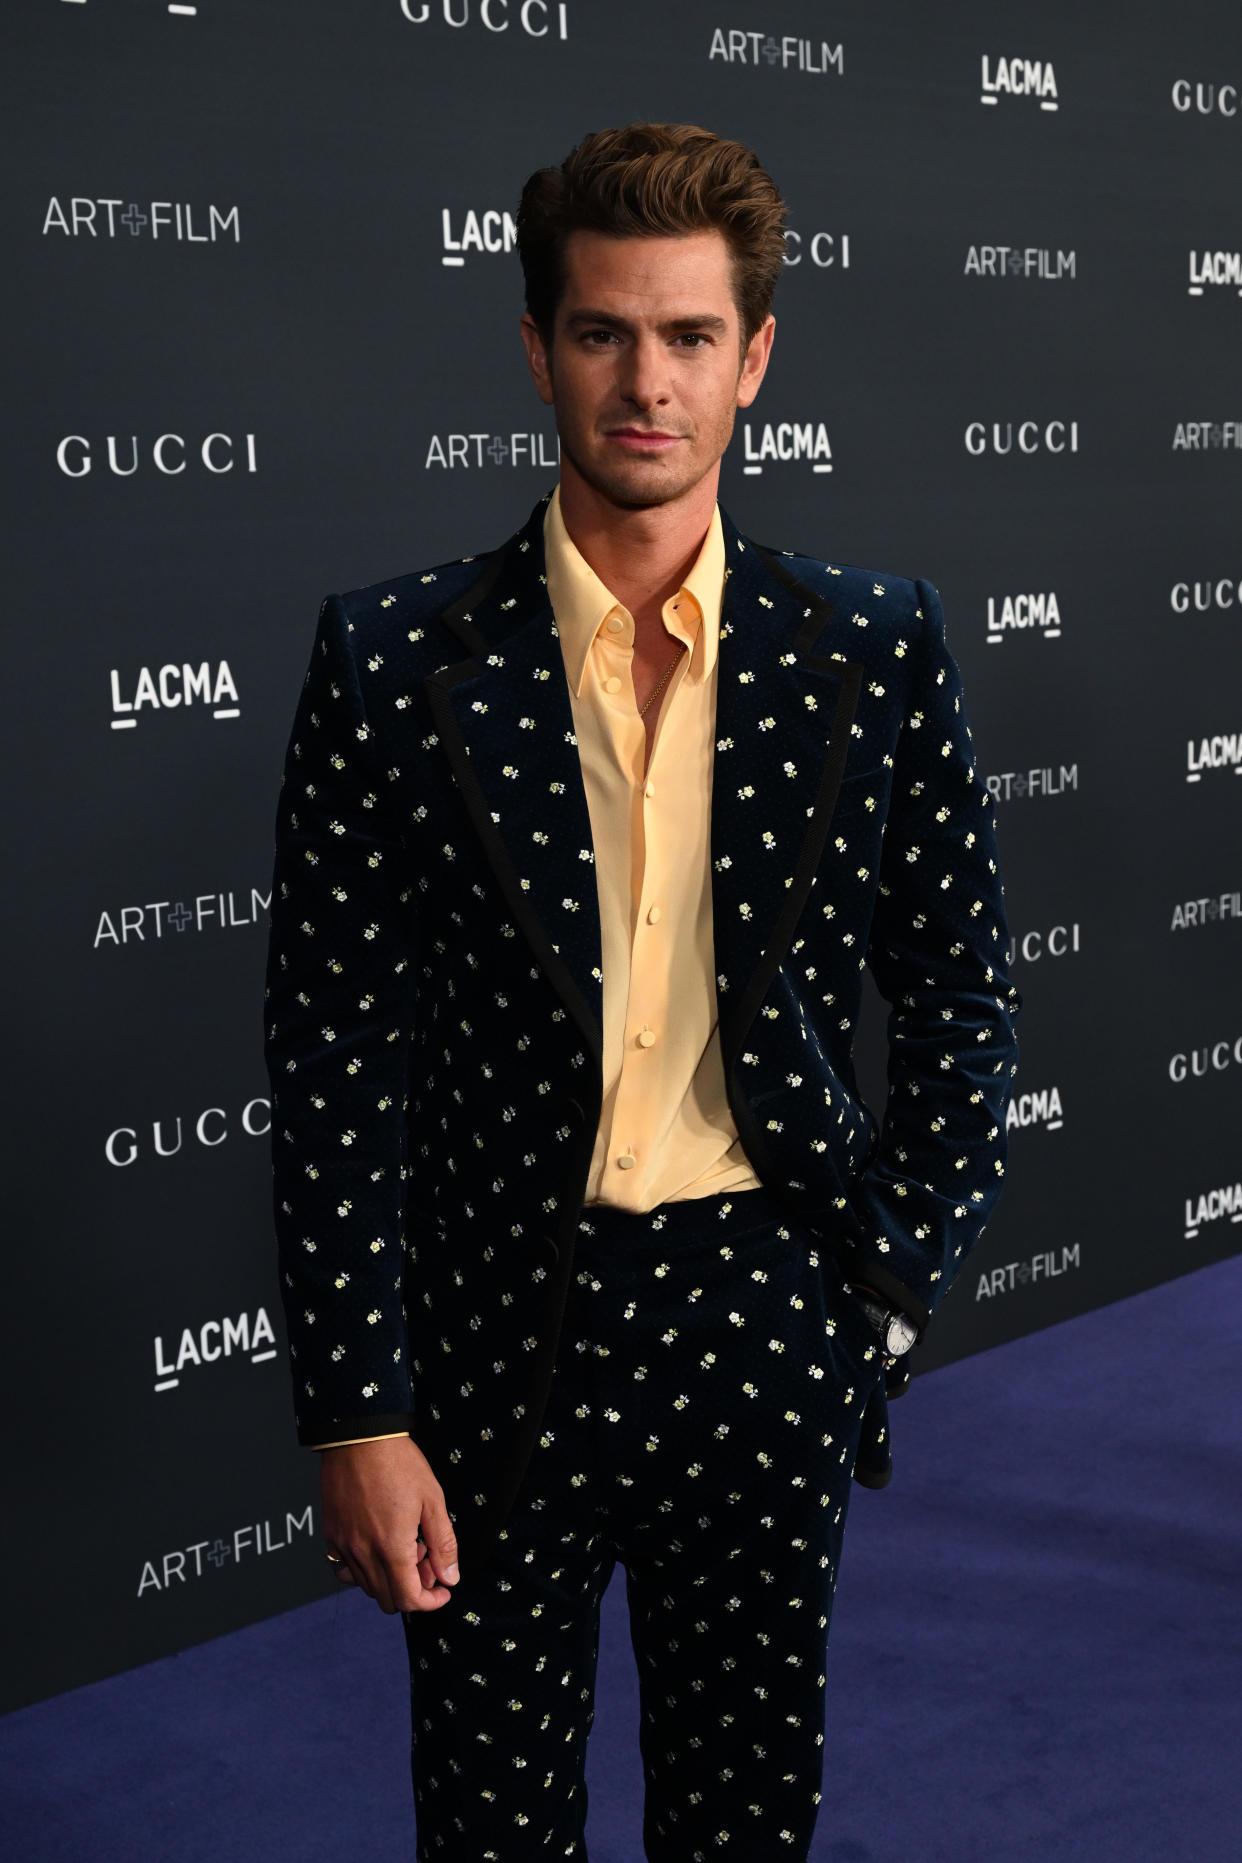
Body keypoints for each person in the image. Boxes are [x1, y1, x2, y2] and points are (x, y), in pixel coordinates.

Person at [263, 121, 1021, 1861]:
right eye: (602, 331)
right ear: (537, 349)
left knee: (744, 1820)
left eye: (688, 338)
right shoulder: (390, 665)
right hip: (491, 1340)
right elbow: (334, 1063)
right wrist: (357, 1408)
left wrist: (880, 1288)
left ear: (754, 359)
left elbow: (966, 1004)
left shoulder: (871, 646)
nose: (644, 383)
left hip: (769, 1319)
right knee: (492, 1824)